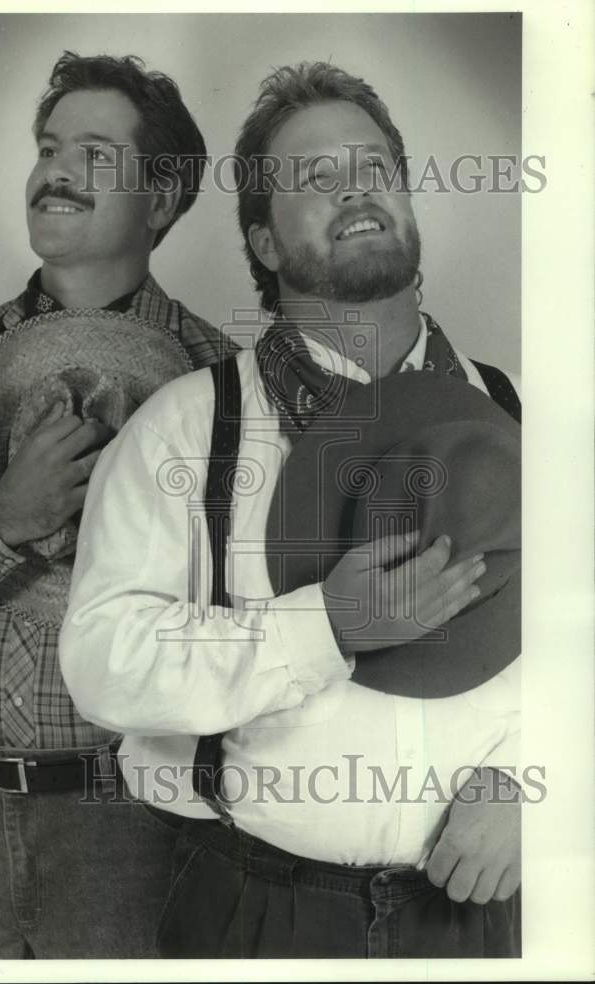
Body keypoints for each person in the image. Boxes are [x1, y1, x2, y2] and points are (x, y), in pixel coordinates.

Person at [60, 61, 522, 958]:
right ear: (265, 244)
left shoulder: (513, 412)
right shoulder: (190, 429)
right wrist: (328, 625)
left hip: (479, 913)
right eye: (314, 178)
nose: (355, 190)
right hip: (257, 912)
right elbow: (102, 659)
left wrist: (546, 783)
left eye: (375, 167)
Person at [0, 51, 236, 959]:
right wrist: (2, 520)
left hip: (143, 820)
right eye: (46, 146)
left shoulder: (225, 387)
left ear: (160, 202)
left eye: (94, 152)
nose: (56, 169)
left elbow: (251, 623)